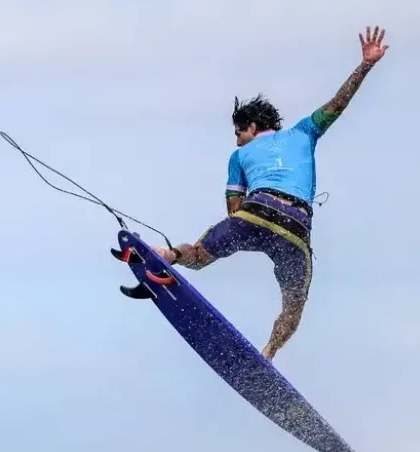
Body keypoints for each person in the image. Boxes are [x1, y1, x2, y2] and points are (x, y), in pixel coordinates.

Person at [152, 26, 389, 361]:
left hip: (255, 212)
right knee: (294, 303)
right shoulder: (305, 132)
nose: (236, 141)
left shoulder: (238, 157)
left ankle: (168, 255)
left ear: (252, 128)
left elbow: (234, 210)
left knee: (201, 254)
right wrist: (366, 65)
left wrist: (229, 241)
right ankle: (268, 353)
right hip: (295, 229)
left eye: (239, 133)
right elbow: (338, 103)